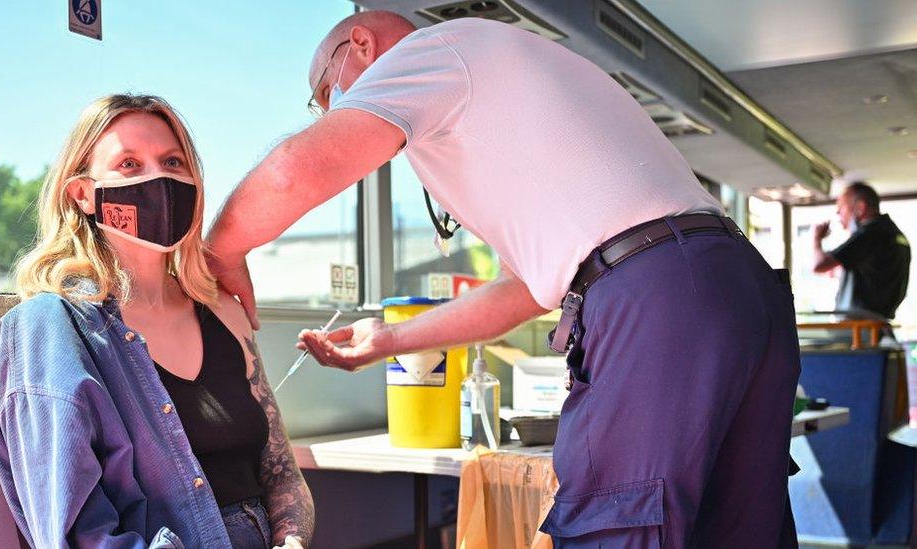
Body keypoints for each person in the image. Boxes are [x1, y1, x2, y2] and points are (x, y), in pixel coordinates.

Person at [208, 11, 800, 547]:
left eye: (323, 93)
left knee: (617, 525)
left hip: (657, 299)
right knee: (736, 529)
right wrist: (388, 341)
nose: (328, 110)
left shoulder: (435, 52)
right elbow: (524, 290)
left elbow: (294, 170)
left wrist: (220, 254)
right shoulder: (502, 83)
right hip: (736, 287)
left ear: (360, 44)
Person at [0, 94, 313, 549]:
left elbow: (281, 472)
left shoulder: (224, 312)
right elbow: (76, 531)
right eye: (129, 164)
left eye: (173, 162)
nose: (158, 178)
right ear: (82, 194)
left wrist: (291, 540)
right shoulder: (49, 328)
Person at [813, 181, 911, 320]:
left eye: (841, 207)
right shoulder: (892, 233)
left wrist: (816, 239)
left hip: (859, 325)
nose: (838, 212)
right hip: (878, 322)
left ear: (860, 207)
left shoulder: (870, 233)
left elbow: (819, 265)